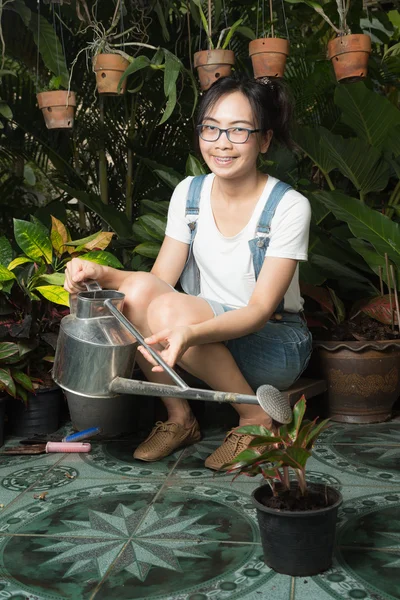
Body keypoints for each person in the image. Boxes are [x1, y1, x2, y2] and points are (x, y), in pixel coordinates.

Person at [64, 74, 312, 470]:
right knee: (138, 300)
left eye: (239, 131)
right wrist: (100, 275)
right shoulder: (189, 194)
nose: (222, 142)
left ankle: (255, 419)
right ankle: (180, 419)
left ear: (264, 140)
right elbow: (157, 283)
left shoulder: (288, 206)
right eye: (211, 128)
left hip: (271, 342)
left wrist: (189, 332)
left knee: (164, 311)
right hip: (197, 341)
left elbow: (260, 311)